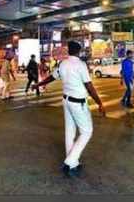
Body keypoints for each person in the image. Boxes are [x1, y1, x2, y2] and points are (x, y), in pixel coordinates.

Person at [32, 41, 105, 178]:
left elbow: (51, 78)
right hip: (78, 103)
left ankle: (73, 163)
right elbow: (89, 86)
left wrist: (38, 84)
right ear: (79, 51)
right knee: (87, 132)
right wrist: (99, 102)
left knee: (70, 132)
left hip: (66, 101)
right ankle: (70, 161)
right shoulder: (81, 65)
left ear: (68, 51)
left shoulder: (63, 64)